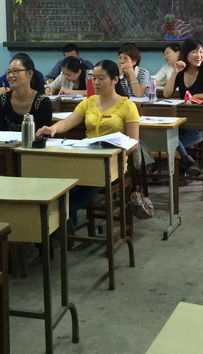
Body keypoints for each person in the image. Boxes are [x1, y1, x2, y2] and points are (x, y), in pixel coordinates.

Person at [36, 60, 140, 229]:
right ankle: (65, 219)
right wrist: (53, 129)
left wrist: (114, 153)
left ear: (114, 80)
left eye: (101, 78)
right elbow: (68, 122)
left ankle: (65, 215)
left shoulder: (127, 106)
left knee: (90, 178)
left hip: (113, 162)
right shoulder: (88, 102)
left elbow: (134, 142)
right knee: (62, 177)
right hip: (87, 156)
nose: (96, 82)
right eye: (94, 78)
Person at [163, 38, 203, 179]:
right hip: (183, 122)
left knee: (169, 140)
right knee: (168, 135)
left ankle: (183, 166)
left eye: (201, 52)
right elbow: (166, 93)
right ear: (186, 54)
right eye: (195, 52)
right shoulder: (181, 71)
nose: (199, 55)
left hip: (201, 125)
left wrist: (195, 96)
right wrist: (175, 72)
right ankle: (188, 163)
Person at [0, 54, 52, 131]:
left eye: (15, 71)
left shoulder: (43, 102)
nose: (10, 75)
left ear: (29, 73)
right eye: (8, 72)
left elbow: (43, 134)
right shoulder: (1, 101)